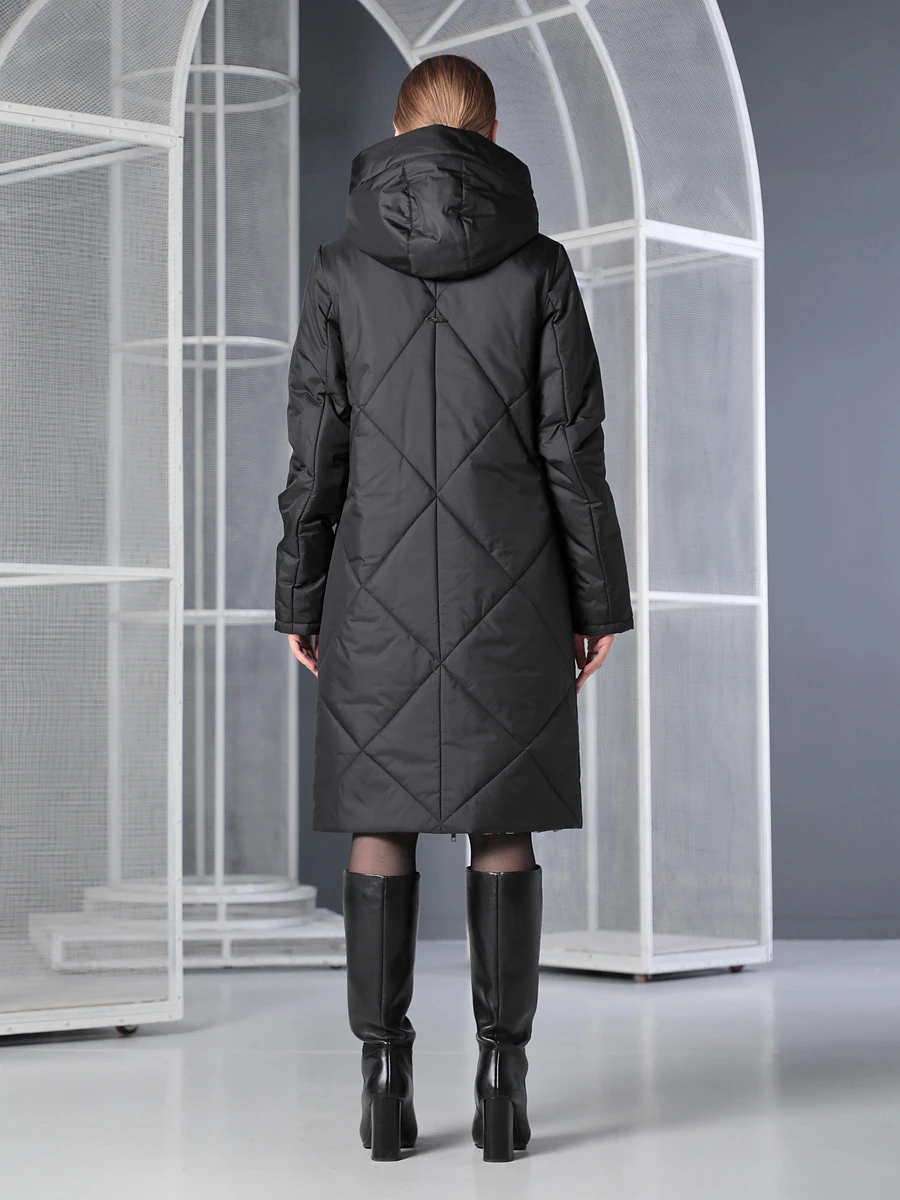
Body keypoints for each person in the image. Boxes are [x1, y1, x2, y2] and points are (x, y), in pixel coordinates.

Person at [274, 55, 633, 1163]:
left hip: (372, 585)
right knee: (502, 823)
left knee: (380, 821)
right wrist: (596, 600)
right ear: (492, 138)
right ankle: (503, 1079)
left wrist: (300, 594)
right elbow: (572, 452)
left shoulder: (339, 268)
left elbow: (315, 456)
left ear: (399, 134)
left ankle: (383, 1080)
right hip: (511, 585)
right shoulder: (543, 266)